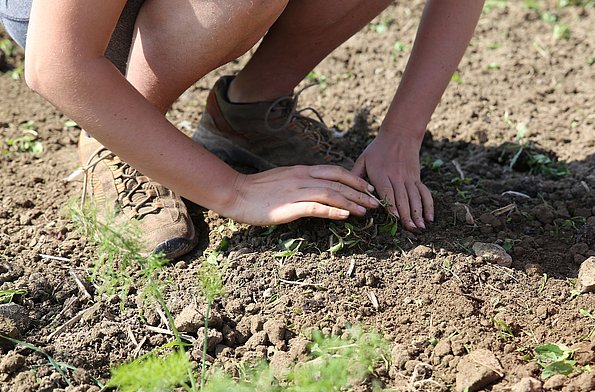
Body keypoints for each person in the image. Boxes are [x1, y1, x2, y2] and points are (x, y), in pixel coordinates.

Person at [0, 0, 485, 259]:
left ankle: (246, 114)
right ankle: (116, 137)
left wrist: (402, 135)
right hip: (75, 25)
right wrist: (233, 192)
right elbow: (58, 64)